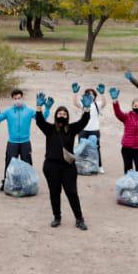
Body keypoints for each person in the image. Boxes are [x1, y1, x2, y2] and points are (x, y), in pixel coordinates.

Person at [34, 97, 94, 229]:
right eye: (60, 113)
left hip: (68, 167)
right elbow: (39, 122)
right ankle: (57, 217)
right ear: (56, 116)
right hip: (51, 166)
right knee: (54, 192)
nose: (62, 115)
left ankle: (79, 219)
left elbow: (84, 121)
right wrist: (39, 107)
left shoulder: (71, 129)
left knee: (72, 192)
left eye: (64, 113)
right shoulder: (49, 129)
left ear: (67, 117)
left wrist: (86, 109)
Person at [0, 89, 48, 191]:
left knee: (27, 164)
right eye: (15, 98)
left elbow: (42, 120)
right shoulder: (8, 111)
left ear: (22, 98)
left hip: (25, 142)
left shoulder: (29, 111)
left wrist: (47, 108)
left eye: (19, 98)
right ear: (12, 99)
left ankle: (29, 183)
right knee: (9, 164)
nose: (17, 100)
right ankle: (7, 183)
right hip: (12, 142)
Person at [73, 83, 107, 174]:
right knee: (81, 149)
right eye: (88, 93)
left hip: (94, 130)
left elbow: (104, 103)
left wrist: (102, 93)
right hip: (83, 130)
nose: (90, 95)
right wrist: (75, 93)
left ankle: (99, 166)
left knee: (96, 148)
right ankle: (81, 166)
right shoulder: (83, 104)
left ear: (95, 96)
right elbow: (75, 103)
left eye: (92, 94)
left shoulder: (97, 104)